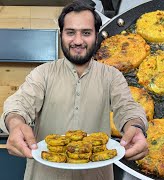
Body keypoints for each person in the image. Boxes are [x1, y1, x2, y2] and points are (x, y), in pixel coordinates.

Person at [0, 1, 148, 180]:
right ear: (61, 34)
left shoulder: (112, 76)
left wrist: (136, 127)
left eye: (86, 33)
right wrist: (16, 124)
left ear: (96, 36)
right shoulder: (43, 73)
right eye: (71, 32)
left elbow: (127, 107)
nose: (78, 41)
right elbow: (20, 103)